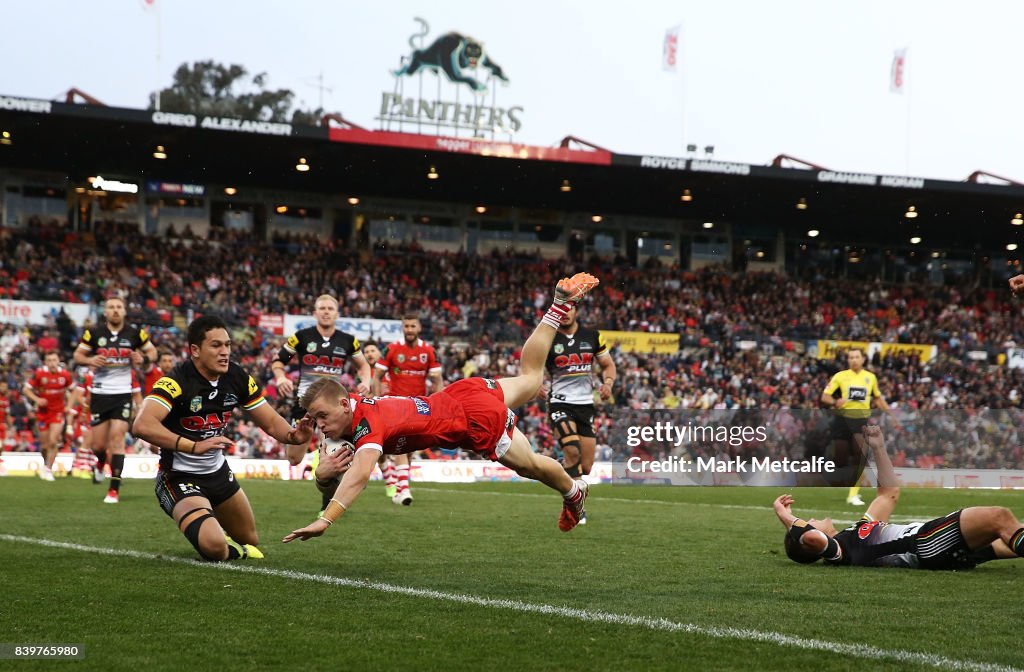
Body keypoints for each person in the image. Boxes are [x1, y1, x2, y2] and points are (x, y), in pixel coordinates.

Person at [283, 272, 601, 543]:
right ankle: (558, 307)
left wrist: (326, 519)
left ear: (343, 404)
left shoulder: (368, 423)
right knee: (531, 378)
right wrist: (322, 477)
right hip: (462, 392)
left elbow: (360, 475)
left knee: (528, 466)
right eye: (316, 418)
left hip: (471, 419)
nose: (320, 425)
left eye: (322, 416)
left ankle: (573, 491)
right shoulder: (341, 417)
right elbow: (326, 472)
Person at [133, 315, 314, 561]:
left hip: (218, 474)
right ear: (195, 350)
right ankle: (211, 530)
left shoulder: (236, 377)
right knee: (216, 548)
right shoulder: (176, 381)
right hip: (178, 478)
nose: (225, 352)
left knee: (250, 540)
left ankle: (211, 525)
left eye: (227, 345)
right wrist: (192, 446)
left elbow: (271, 422)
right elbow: (142, 424)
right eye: (216, 345)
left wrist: (294, 436)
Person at [775, 424, 1024, 568]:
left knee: (1008, 535)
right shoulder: (839, 552)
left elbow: (889, 494)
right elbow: (809, 537)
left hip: (936, 550)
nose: (812, 519)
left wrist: (879, 448)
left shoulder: (852, 536)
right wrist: (784, 514)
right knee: (998, 517)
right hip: (925, 543)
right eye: (809, 522)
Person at [271, 294, 373, 512]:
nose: (326, 311)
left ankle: (328, 503)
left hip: (333, 406)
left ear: (337, 313)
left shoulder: (348, 340)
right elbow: (278, 361)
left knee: (334, 454)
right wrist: (281, 377)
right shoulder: (301, 337)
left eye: (330, 308)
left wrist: (366, 380)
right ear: (315, 313)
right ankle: (311, 446)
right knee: (293, 459)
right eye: (322, 308)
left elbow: (363, 365)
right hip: (304, 403)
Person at [73, 295, 158, 503]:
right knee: (99, 446)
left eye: (119, 307)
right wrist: (91, 359)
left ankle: (113, 490)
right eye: (111, 307)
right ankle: (100, 463)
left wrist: (143, 358)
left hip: (122, 394)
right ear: (105, 312)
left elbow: (153, 352)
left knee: (117, 439)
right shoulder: (93, 333)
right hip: (100, 394)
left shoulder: (135, 333)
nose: (115, 310)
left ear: (125, 311)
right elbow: (78, 356)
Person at [542, 299, 615, 524]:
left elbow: (608, 365)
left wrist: (608, 383)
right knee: (572, 451)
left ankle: (557, 467)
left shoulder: (592, 336)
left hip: (585, 406)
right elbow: (532, 366)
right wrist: (537, 385)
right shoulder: (547, 338)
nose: (565, 313)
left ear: (576, 311)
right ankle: (576, 509)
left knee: (586, 466)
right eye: (561, 310)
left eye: (569, 309)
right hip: (559, 403)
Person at [372, 315, 444, 505]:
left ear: (419, 327)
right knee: (401, 443)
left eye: (413, 326)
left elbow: (437, 380)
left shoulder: (428, 351)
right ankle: (404, 489)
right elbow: (377, 375)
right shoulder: (392, 348)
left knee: (410, 449)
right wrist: (377, 399)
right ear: (402, 328)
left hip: (419, 405)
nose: (409, 329)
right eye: (406, 326)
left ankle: (398, 488)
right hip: (395, 404)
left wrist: (441, 404)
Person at [820, 346, 897, 506]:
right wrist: (835, 401)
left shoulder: (870, 378)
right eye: (851, 357)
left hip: (860, 421)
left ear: (863, 359)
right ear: (848, 360)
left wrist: (891, 415)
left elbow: (878, 399)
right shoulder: (840, 376)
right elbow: (825, 397)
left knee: (861, 454)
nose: (854, 360)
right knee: (839, 458)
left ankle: (853, 494)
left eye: (856, 357)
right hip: (842, 420)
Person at [22, 350, 75, 480]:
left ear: (58, 361)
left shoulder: (65, 375)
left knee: (53, 441)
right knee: (44, 445)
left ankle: (49, 469)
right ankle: (46, 464)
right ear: (45, 362)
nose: (52, 363)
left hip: (57, 412)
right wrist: (37, 399)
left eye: (54, 360)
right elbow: (26, 389)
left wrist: (69, 406)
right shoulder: (39, 374)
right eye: (49, 360)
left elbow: (74, 391)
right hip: (43, 413)